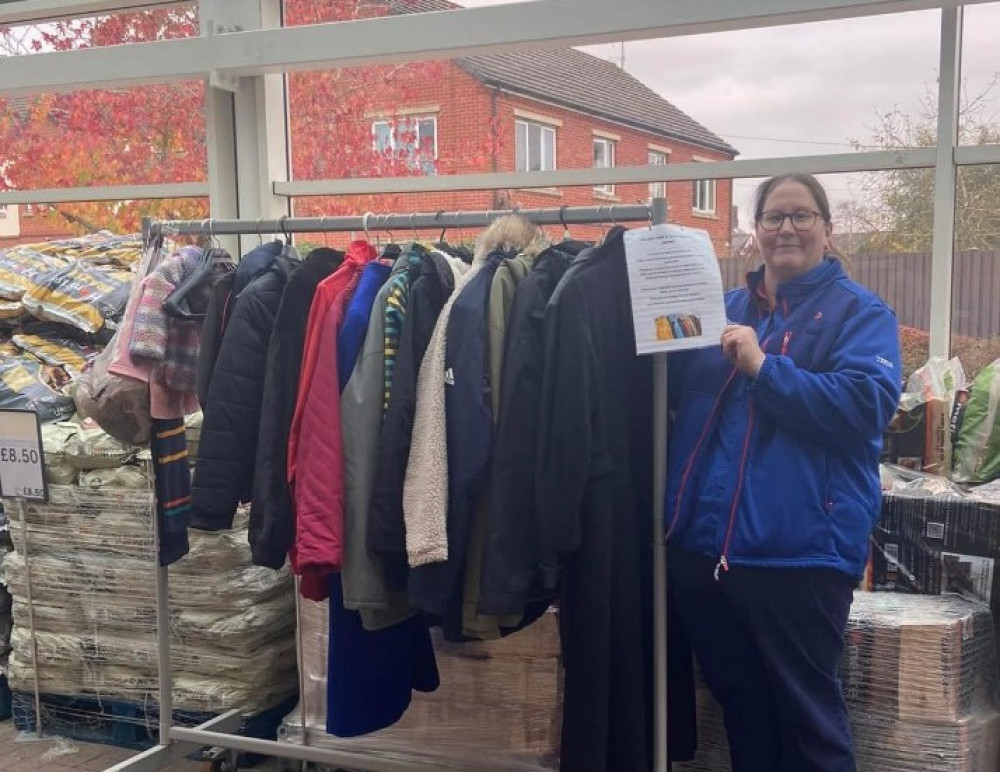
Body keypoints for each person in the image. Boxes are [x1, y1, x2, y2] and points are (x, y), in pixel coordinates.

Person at [664, 173, 902, 771]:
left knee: (808, 724)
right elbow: (665, 401)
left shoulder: (860, 313)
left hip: (799, 556)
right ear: (754, 231)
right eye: (773, 217)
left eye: (801, 216)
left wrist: (764, 369)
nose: (786, 228)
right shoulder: (718, 310)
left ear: (827, 228)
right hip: (704, 553)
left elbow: (864, 406)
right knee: (743, 709)